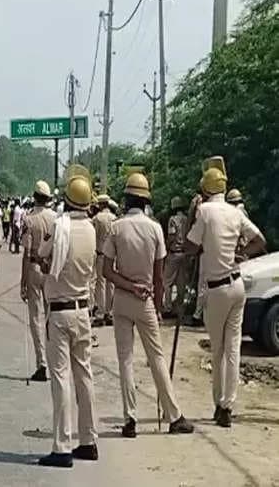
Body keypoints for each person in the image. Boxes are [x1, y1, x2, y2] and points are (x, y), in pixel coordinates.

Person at [103, 173, 195, 439]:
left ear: (127, 199)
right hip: (145, 301)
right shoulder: (155, 228)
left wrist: (129, 286)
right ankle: (174, 415)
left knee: (125, 361)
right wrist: (156, 304)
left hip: (122, 298)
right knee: (157, 358)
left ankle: (129, 419)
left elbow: (107, 271)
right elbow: (159, 275)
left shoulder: (117, 227)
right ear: (145, 201)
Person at [185, 163, 265, 428]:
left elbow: (189, 247)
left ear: (205, 189)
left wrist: (192, 216)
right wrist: (240, 255)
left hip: (216, 288)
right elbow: (259, 241)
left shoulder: (205, 212)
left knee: (218, 350)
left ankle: (219, 404)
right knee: (233, 349)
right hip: (237, 284)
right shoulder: (234, 212)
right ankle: (228, 405)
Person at [36, 173, 98, 468]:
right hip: (83, 310)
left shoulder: (60, 227)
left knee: (60, 378)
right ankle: (88, 440)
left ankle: (62, 446)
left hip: (60, 311)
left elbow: (42, 253)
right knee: (84, 376)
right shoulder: (92, 229)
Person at [20, 181, 57, 382]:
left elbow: (26, 253)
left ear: (34, 197)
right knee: (52, 316)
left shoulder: (29, 219)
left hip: (34, 266)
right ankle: (54, 362)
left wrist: (22, 282)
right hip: (51, 268)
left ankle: (41, 362)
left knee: (35, 318)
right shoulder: (55, 219)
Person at [92, 194, 115, 326]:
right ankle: (109, 312)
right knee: (110, 284)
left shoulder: (97, 219)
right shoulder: (114, 218)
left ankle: (100, 313)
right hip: (112, 255)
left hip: (100, 254)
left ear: (100, 205)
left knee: (100, 283)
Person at [164, 196, 189, 316]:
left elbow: (172, 235)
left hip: (174, 253)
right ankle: (180, 308)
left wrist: (167, 245)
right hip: (184, 253)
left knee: (167, 282)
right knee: (181, 283)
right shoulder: (187, 219)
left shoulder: (173, 219)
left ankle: (168, 308)